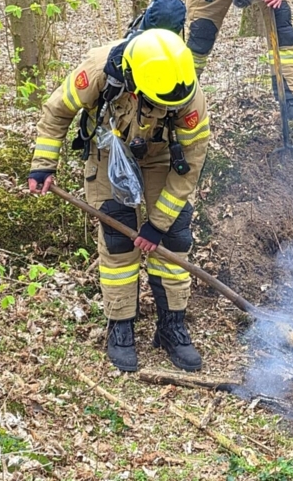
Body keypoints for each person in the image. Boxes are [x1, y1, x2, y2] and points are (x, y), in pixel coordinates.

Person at [28, 20, 210, 373]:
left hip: (161, 155)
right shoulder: (99, 70)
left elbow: (191, 160)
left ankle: (171, 327)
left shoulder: (188, 93)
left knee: (174, 236)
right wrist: (42, 165)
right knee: (118, 238)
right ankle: (121, 326)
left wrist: (157, 225)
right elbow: (56, 112)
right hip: (108, 153)